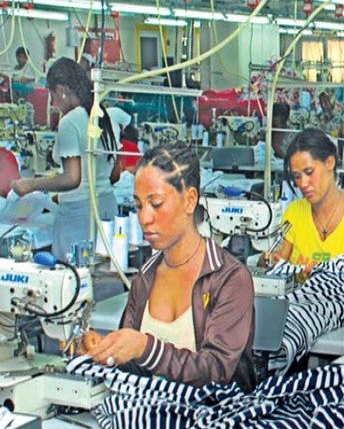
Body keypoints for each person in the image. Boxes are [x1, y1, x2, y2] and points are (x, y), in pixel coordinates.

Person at [87, 143, 256, 391]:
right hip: (150, 410)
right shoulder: (145, 277)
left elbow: (216, 370)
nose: (144, 218)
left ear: (190, 200)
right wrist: (107, 350)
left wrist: (145, 348)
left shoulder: (229, 279)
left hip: (214, 412)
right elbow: (135, 369)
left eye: (156, 204)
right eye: (139, 205)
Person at [10, 58, 120, 259]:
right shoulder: (105, 116)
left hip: (79, 217)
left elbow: (72, 178)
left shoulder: (70, 122)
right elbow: (115, 174)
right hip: (107, 210)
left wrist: (31, 185)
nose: (54, 104)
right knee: (102, 270)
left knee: (71, 274)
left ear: (61, 90)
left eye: (53, 97)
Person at [270, 129, 344, 270]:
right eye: (297, 176)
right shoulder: (294, 212)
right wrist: (268, 260)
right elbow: (278, 263)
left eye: (309, 172)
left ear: (330, 162)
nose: (303, 183)